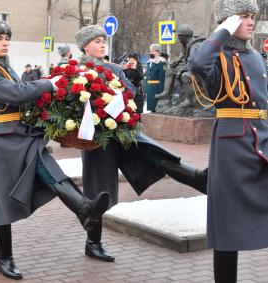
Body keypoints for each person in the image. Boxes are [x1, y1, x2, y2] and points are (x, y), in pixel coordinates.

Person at [0, 20, 110, 280]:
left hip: (21, 135)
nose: (5, 42)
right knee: (1, 200)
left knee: (49, 168)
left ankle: (84, 208)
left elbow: (22, 95)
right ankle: (5, 259)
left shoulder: (5, 68)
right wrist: (50, 84)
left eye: (7, 38)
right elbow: (15, 93)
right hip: (1, 141)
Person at [76, 25, 207, 262]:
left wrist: (117, 87)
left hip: (123, 130)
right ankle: (93, 243)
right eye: (97, 41)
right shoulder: (74, 71)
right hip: (98, 138)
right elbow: (70, 102)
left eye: (104, 40)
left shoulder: (115, 68)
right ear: (85, 46)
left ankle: (198, 178)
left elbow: (130, 91)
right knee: (100, 193)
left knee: (157, 155)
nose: (103, 44)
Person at [189, 1, 266, 282]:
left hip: (262, 139)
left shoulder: (256, 56)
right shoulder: (215, 54)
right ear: (228, 22)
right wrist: (223, 31)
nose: (250, 22)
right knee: (227, 226)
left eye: (252, 16)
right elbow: (197, 64)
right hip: (232, 148)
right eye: (243, 16)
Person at [144, 43, 166, 112]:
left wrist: (160, 91)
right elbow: (147, 77)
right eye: (150, 51)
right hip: (150, 87)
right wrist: (146, 88)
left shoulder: (161, 63)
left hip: (157, 88)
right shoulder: (149, 62)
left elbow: (162, 78)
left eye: (153, 51)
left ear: (158, 52)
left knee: (157, 108)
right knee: (151, 108)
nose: (151, 53)